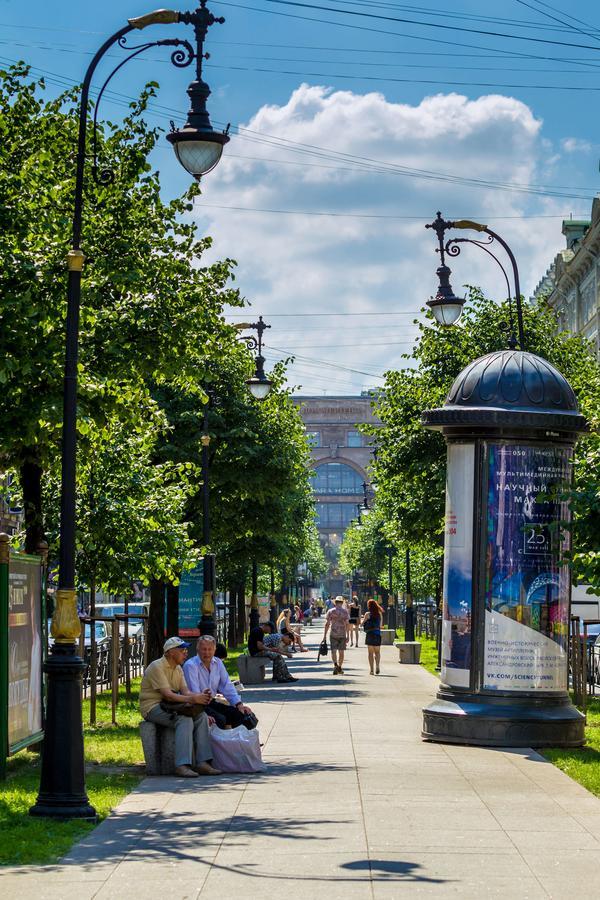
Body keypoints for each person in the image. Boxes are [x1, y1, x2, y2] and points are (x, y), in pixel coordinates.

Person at [139, 636, 221, 777]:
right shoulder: (156, 666)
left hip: (170, 706)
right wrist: (192, 698)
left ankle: (203, 763)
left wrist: (200, 696)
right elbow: (168, 695)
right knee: (184, 720)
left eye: (185, 649)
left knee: (201, 716)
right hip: (152, 707)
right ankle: (182, 765)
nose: (185, 652)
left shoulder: (178, 668)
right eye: (182, 649)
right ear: (170, 652)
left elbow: (186, 692)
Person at [184, 635, 256, 729]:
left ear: (214, 650)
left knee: (240, 715)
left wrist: (239, 704)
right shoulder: (190, 665)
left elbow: (227, 685)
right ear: (198, 650)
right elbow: (195, 693)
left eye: (210, 649)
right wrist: (203, 714)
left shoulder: (218, 662)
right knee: (220, 719)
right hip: (197, 705)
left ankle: (238, 742)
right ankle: (221, 742)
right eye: (204, 649)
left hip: (211, 702)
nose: (207, 652)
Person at [324, 595, 349, 675]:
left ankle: (335, 665)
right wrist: (348, 635)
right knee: (341, 652)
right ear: (341, 603)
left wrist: (324, 635)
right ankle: (340, 667)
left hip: (333, 633)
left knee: (333, 651)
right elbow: (347, 624)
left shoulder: (330, 611)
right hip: (342, 634)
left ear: (335, 603)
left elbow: (327, 624)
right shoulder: (345, 612)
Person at [362, 599, 384, 675]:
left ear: (369, 606)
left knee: (370, 653)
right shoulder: (379, 614)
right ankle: (377, 666)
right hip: (377, 634)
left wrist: (364, 620)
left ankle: (371, 670)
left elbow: (362, 624)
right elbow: (380, 626)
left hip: (369, 635)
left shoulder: (367, 614)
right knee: (377, 652)